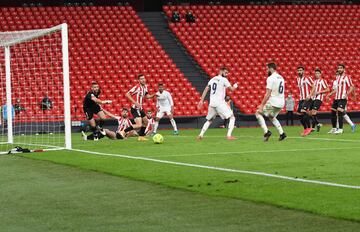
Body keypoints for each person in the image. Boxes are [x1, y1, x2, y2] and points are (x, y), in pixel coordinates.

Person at [197, 66, 237, 140]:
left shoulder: (213, 79)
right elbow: (231, 90)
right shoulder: (224, 80)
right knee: (232, 117)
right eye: (225, 72)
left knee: (209, 120)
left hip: (212, 103)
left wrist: (201, 100)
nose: (226, 74)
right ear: (221, 71)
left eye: (227, 73)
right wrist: (235, 86)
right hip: (220, 103)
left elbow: (206, 89)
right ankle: (229, 135)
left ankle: (201, 135)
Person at [255, 63, 286, 141]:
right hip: (281, 102)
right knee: (271, 117)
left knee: (258, 113)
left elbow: (268, 93)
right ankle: (282, 134)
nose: (267, 70)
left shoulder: (270, 78)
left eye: (267, 69)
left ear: (271, 68)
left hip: (274, 102)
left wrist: (262, 105)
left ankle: (266, 132)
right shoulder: (281, 77)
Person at [120, 74, 155, 141]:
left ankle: (141, 137)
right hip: (135, 108)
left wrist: (154, 94)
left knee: (146, 122)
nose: (143, 80)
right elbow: (127, 94)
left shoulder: (145, 87)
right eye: (141, 79)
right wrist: (135, 102)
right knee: (139, 125)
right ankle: (123, 131)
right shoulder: (137, 87)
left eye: (144, 78)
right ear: (138, 80)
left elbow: (147, 96)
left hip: (140, 108)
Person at [327, 64, 355, 134]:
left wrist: (347, 94)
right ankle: (334, 128)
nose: (339, 69)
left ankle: (340, 129)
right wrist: (330, 94)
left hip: (342, 98)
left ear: (343, 69)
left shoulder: (347, 77)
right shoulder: (337, 78)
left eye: (340, 68)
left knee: (340, 112)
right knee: (333, 112)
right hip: (336, 98)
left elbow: (351, 86)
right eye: (338, 68)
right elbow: (337, 89)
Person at [296, 66, 313, 136]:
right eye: (298, 70)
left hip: (307, 98)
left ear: (303, 71)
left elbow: (313, 86)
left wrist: (309, 95)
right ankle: (305, 128)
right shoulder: (298, 79)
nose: (299, 72)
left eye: (301, 70)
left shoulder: (307, 78)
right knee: (299, 114)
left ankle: (309, 127)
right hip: (301, 99)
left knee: (303, 111)